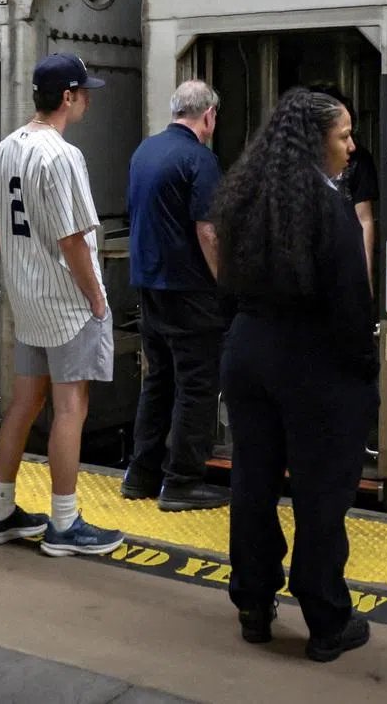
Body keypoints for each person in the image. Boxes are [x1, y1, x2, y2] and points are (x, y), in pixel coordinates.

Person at [212, 89, 379, 663]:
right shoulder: (329, 206)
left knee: (252, 485)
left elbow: (228, 284)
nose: (351, 148)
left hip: (248, 353)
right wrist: (365, 370)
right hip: (313, 363)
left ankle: (254, 606)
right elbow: (350, 301)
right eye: (343, 136)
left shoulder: (247, 194)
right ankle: (328, 622)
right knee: (321, 494)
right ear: (317, 140)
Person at [0, 53, 123, 557]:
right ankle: (64, 522)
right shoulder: (61, 156)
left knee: (23, 404)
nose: (89, 99)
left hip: (26, 300)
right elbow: (74, 239)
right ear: (67, 97)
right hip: (66, 303)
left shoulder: (10, 145)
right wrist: (97, 298)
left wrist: (13, 256)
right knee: (70, 408)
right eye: (85, 91)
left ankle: (0, 512)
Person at [122, 80, 229, 511]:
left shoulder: (144, 151)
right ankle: (183, 481)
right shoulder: (199, 159)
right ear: (208, 116)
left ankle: (141, 473)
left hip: (150, 288)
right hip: (189, 291)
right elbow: (208, 230)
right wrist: (225, 283)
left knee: (159, 380)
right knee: (197, 386)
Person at [317, 85, 379, 294]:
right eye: (343, 137)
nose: (351, 145)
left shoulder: (358, 161)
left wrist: (366, 279)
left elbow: (365, 219)